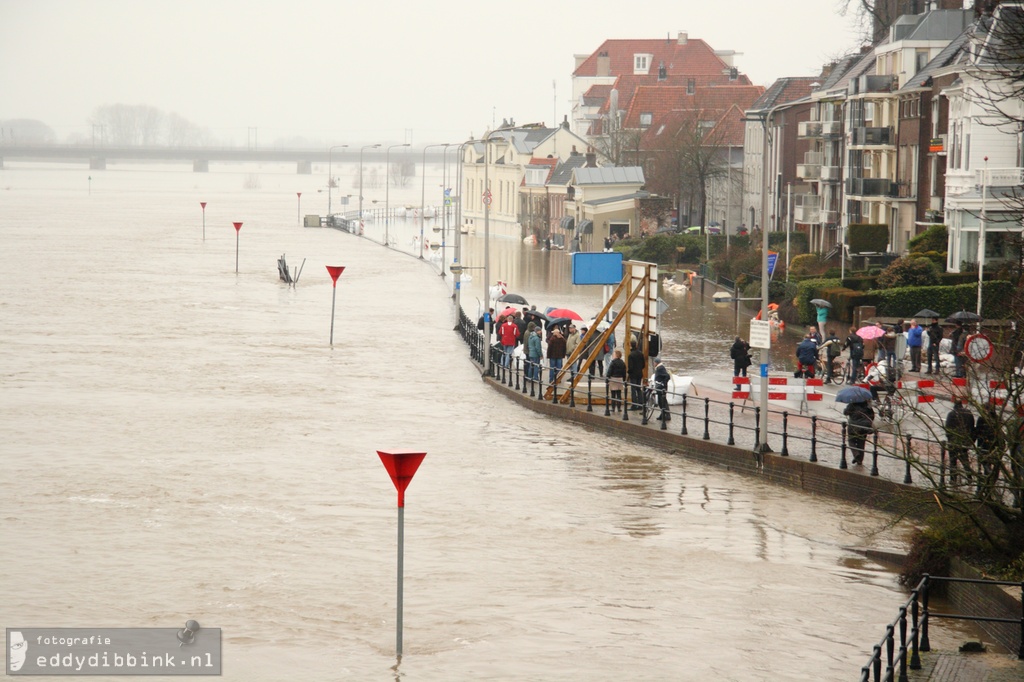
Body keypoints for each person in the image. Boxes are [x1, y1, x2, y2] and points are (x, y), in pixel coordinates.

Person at [945, 400, 976, 483]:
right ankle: (969, 477)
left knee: (953, 460)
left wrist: (950, 439)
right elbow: (972, 428)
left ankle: (953, 479)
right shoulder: (968, 413)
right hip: (965, 441)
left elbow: (947, 429)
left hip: (953, 441)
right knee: (965, 459)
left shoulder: (951, 414)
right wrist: (971, 441)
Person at [844, 400, 875, 465]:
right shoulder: (867, 405)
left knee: (851, 441)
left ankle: (856, 454)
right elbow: (872, 416)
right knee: (861, 442)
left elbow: (845, 412)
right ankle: (860, 460)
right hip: (864, 427)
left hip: (853, 426)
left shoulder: (852, 404)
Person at [627, 340, 646, 410]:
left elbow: (630, 367)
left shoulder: (631, 355)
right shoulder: (641, 354)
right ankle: (640, 404)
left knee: (633, 389)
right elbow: (643, 365)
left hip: (633, 374)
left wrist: (628, 372)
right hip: (639, 373)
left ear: (630, 346)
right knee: (638, 389)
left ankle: (634, 404)